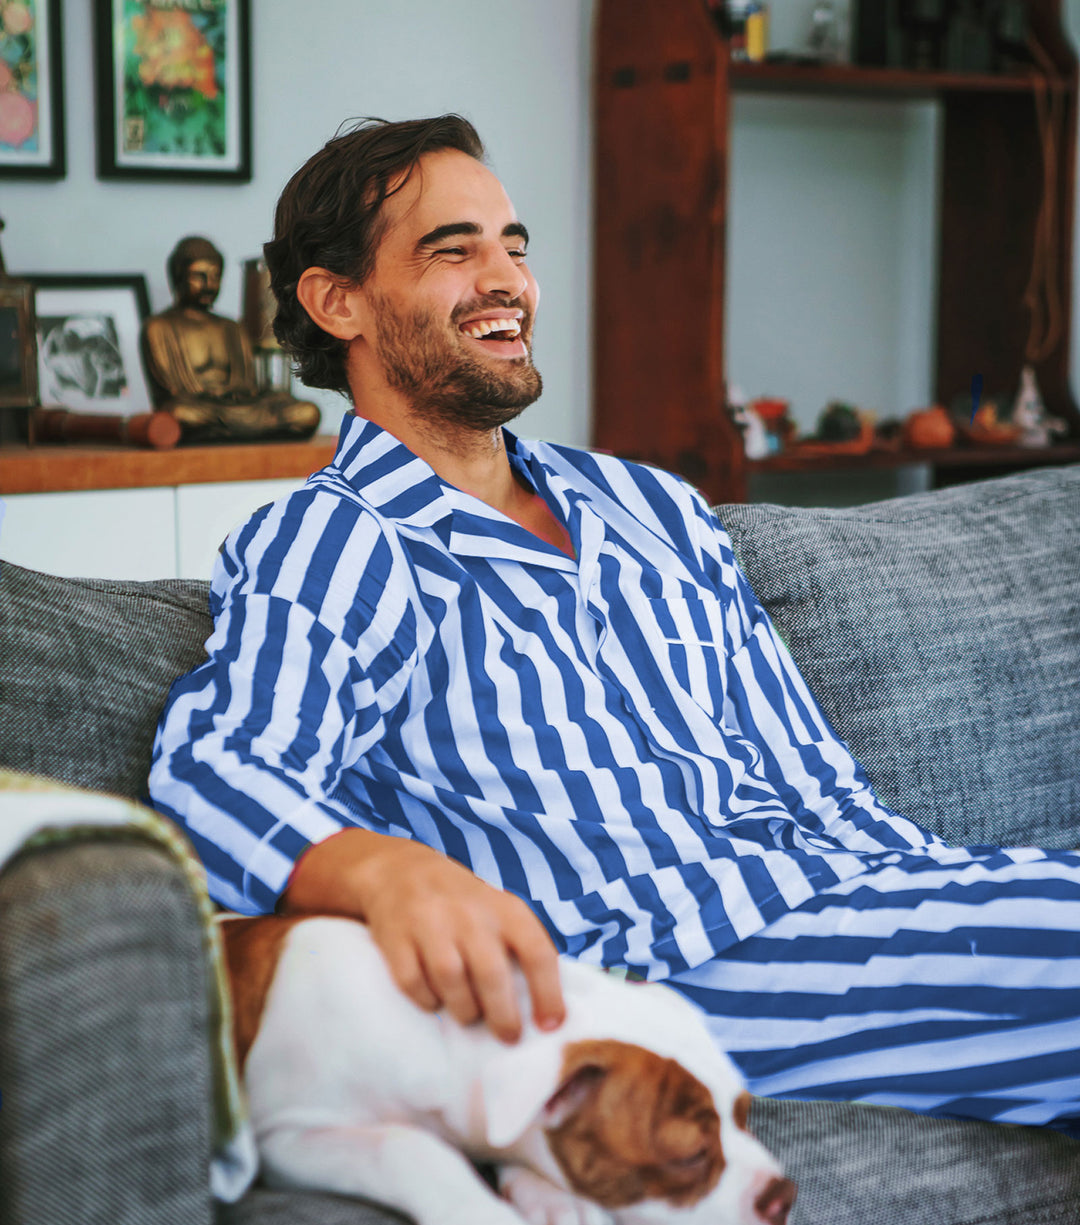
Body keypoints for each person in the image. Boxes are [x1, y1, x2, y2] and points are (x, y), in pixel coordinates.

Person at [149, 115, 1080, 1135]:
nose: (505, 278)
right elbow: (217, 771)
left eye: (514, 246)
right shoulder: (334, 539)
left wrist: (946, 895)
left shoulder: (655, 508)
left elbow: (818, 780)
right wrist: (382, 871)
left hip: (838, 902)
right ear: (338, 302)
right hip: (657, 975)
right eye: (453, 250)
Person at [141, 235, 321, 442]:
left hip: (237, 408)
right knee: (179, 413)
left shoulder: (231, 327)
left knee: (307, 412)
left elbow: (248, 385)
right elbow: (170, 391)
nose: (209, 284)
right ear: (178, 276)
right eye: (199, 276)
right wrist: (212, 396)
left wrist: (242, 396)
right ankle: (249, 432)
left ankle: (223, 432)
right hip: (201, 408)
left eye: (215, 277)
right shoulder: (159, 327)